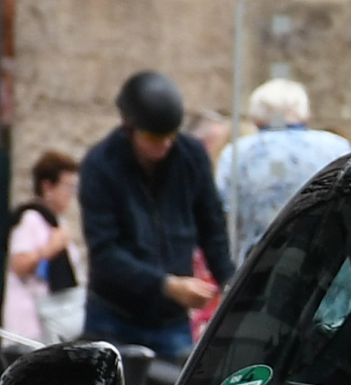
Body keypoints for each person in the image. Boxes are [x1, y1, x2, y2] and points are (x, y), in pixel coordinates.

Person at [77, 70, 234, 360]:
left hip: (170, 321)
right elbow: (105, 252)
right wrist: (165, 285)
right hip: (112, 314)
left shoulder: (191, 157)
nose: (163, 146)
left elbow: (211, 224)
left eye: (170, 136)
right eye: (152, 137)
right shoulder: (100, 166)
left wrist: (228, 280)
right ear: (129, 126)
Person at [216, 78, 351, 259]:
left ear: (255, 118)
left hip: (256, 267)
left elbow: (220, 212)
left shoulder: (236, 153)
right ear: (306, 114)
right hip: (323, 265)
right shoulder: (336, 148)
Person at [4, 150, 85, 343]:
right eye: (67, 188)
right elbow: (19, 264)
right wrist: (49, 249)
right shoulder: (30, 220)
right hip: (29, 320)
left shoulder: (57, 222)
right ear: (48, 186)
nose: (70, 195)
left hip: (53, 320)